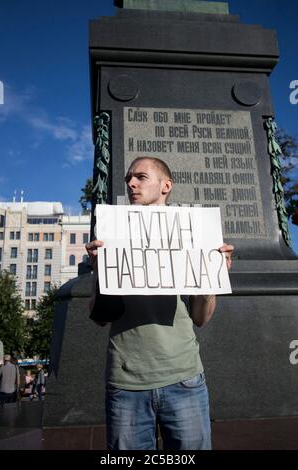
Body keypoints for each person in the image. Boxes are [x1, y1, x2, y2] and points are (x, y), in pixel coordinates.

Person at [86, 156, 234, 450]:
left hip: (184, 377)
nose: (131, 183)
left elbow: (201, 318)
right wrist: (98, 272)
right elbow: (99, 317)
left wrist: (213, 275)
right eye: (129, 178)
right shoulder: (111, 237)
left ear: (166, 186)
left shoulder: (195, 236)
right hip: (126, 381)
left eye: (141, 177)